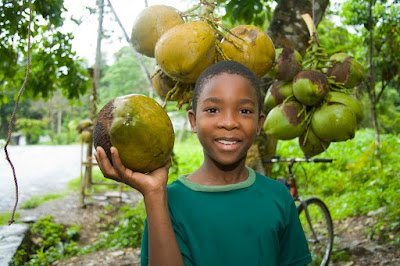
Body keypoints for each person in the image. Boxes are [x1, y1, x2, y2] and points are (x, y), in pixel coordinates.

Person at [94, 60, 312, 266]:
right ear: (193, 121)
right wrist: (153, 194)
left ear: (258, 124)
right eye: (213, 110)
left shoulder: (279, 197)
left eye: (244, 111)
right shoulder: (166, 203)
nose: (228, 123)